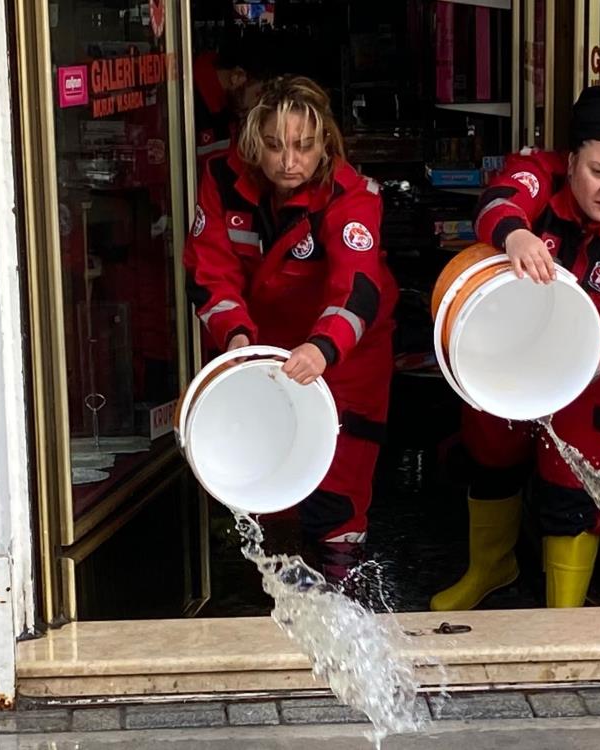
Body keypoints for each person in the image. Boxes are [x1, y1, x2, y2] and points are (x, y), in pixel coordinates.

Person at [431, 83, 600, 611]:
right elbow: (499, 200)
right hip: (505, 355)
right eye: (598, 172)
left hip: (582, 374)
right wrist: (515, 235)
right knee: (489, 450)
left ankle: (565, 612)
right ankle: (490, 568)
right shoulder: (538, 173)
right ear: (572, 160)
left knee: (574, 477)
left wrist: (575, 366)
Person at [183, 75, 398, 581]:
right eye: (275, 146)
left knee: (338, 482)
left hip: (346, 354)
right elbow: (209, 272)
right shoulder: (219, 179)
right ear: (254, 139)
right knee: (264, 472)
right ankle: (282, 599)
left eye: (303, 146)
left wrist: (323, 348)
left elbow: (357, 288)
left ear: (324, 142)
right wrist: (235, 338)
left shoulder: (351, 194)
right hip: (259, 349)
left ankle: (344, 598)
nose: (288, 162)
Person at [192, 30, 271, 174]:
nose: (259, 103)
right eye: (258, 94)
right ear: (237, 76)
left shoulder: (228, 105)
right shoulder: (188, 103)